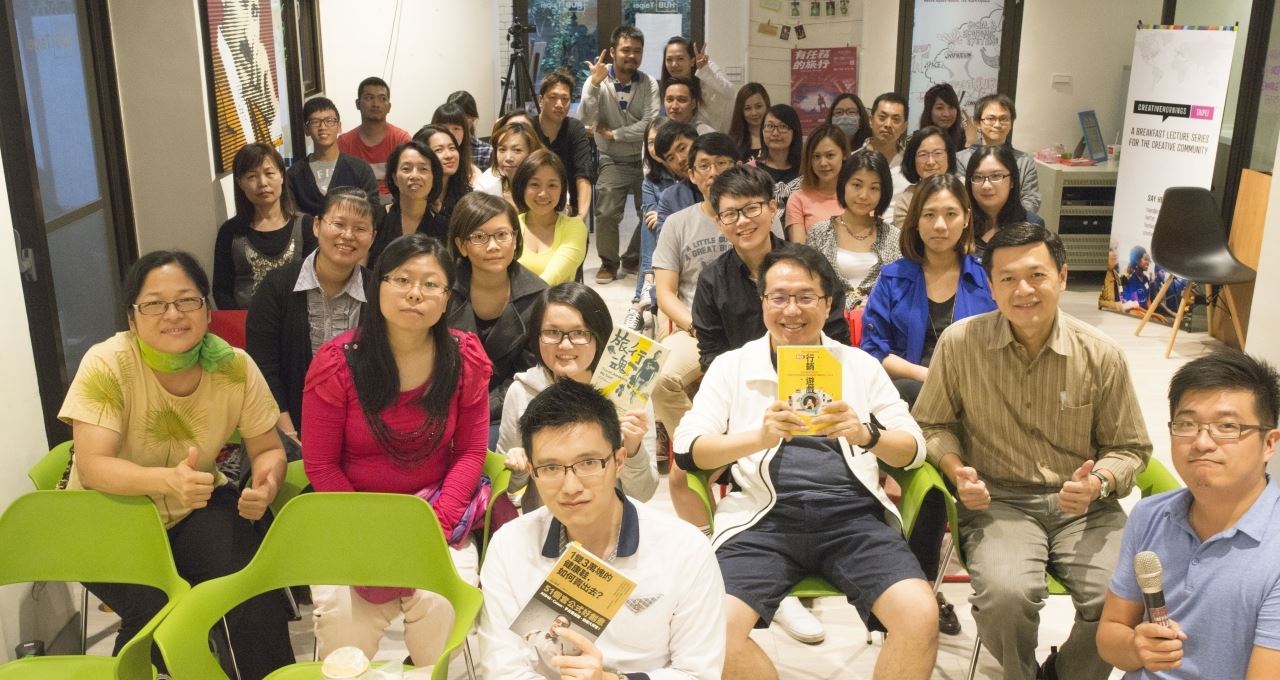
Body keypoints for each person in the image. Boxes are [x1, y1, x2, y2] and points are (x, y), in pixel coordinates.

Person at [673, 244, 940, 680]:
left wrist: (866, 434)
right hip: (761, 521)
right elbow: (688, 449)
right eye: (778, 297)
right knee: (708, 631)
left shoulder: (858, 365)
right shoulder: (731, 367)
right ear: (762, 302)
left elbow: (914, 450)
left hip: (853, 518)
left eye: (805, 297)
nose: (791, 310)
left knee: (920, 615)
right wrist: (757, 437)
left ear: (828, 303)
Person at [912, 223, 1153, 680]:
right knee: (1006, 597)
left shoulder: (1101, 354)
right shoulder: (960, 344)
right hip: (999, 500)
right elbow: (931, 424)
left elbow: (1130, 447)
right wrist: (956, 468)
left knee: (1123, 599)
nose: (1023, 290)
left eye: (1037, 275)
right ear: (991, 286)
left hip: (1085, 507)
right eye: (1008, 278)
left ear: (1062, 277)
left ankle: (1063, 674)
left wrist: (1098, 482)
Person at [60, 251, 293, 679]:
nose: (173, 315)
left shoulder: (234, 367)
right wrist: (168, 480)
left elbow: (268, 448)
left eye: (186, 300)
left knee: (250, 590)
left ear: (207, 309)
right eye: (154, 304)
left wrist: (266, 483)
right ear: (132, 319)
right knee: (155, 606)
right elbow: (93, 466)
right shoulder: (108, 363)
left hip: (192, 508)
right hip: (105, 518)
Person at [302, 234, 492, 666]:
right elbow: (321, 465)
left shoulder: (464, 358)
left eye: (431, 284)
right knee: (343, 633)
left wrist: (432, 527)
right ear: (378, 287)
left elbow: (469, 452)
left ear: (447, 298)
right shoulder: (337, 363)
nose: (415, 293)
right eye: (402, 279)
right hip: (353, 521)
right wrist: (372, 534)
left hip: (434, 515)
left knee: (443, 608)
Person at [479, 380, 726, 679]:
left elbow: (698, 672)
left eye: (588, 463)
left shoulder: (685, 550)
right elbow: (503, 669)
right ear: (532, 471)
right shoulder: (509, 546)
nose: (571, 487)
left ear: (619, 461)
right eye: (551, 468)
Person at [1098, 350, 1280, 680]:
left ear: (1269, 443)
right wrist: (1136, 646)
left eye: (1227, 426)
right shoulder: (1150, 514)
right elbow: (1110, 634)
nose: (1202, 442)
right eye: (1186, 424)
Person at [498, 282, 657, 510]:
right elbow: (506, 490)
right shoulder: (523, 392)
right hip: (549, 523)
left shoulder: (629, 391)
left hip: (611, 522)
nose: (564, 344)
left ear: (599, 336)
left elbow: (643, 493)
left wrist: (633, 451)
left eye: (579, 333)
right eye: (552, 332)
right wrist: (517, 468)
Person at [246, 188, 376, 459]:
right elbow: (263, 370)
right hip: (287, 432)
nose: (348, 235)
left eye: (360, 228)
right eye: (338, 224)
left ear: (372, 237)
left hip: (361, 440)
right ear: (317, 226)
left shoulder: (379, 291)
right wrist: (292, 439)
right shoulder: (277, 287)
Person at [862, 173, 992, 406]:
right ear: (916, 220)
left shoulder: (987, 278)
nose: (940, 225)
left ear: (966, 218)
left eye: (951, 214)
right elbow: (874, 350)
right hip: (908, 394)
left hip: (974, 394)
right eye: (929, 215)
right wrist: (930, 376)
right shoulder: (892, 279)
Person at [446, 191, 549, 438]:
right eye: (479, 237)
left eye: (502, 235)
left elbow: (527, 374)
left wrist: (477, 410)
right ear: (461, 245)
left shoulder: (538, 296)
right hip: (443, 403)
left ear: (515, 239)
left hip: (506, 409)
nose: (493, 246)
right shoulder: (441, 286)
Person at [580, 25, 660, 284]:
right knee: (605, 212)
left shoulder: (648, 83)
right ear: (613, 51)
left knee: (651, 211)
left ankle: (633, 257)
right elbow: (586, 118)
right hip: (612, 159)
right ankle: (609, 262)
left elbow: (650, 123)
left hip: (645, 157)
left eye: (637, 51)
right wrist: (594, 84)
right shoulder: (597, 81)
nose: (631, 56)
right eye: (626, 50)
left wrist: (616, 133)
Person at [213, 142, 310, 310]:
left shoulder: (306, 225)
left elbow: (316, 282)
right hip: (244, 322)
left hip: (296, 320)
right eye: (252, 176)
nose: (262, 183)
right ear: (240, 183)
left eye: (269, 173)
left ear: (282, 176)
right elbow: (221, 291)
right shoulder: (229, 232)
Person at [806, 148, 902, 310]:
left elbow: (899, 291)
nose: (864, 195)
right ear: (843, 184)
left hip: (879, 321)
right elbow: (808, 286)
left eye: (874, 188)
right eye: (857, 185)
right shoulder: (819, 233)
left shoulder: (894, 237)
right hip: (828, 320)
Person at [623, 117, 680, 332]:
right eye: (649, 142)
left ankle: (640, 298)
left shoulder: (686, 172)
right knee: (649, 223)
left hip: (684, 233)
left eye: (659, 141)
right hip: (660, 236)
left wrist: (665, 217)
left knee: (657, 221)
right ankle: (646, 286)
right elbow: (650, 213)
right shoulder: (650, 180)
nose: (654, 147)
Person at [288, 96, 378, 217]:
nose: (323, 127)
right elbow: (293, 216)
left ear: (339, 126)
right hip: (309, 230)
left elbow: (373, 212)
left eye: (329, 121)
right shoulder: (295, 174)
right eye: (315, 122)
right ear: (306, 130)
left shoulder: (360, 169)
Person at [956, 94, 1041, 213]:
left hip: (1014, 222)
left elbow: (1031, 200)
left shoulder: (1024, 161)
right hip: (974, 222)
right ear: (978, 123)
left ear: (1011, 123)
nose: (997, 125)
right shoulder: (961, 159)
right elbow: (961, 199)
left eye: (1004, 119)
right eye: (991, 119)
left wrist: (1004, 219)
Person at [514, 150, 588, 285]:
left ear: (562, 190)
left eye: (552, 185)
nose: (543, 193)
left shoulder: (575, 227)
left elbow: (553, 277)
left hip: (557, 298)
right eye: (534, 184)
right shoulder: (510, 226)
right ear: (522, 187)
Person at [368, 140, 447, 266]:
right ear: (395, 178)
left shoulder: (444, 227)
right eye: (406, 169)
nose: (414, 176)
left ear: (433, 178)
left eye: (423, 169)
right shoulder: (375, 219)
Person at [337, 76, 411, 205]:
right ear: (357, 104)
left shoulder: (401, 139)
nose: (376, 104)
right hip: (357, 205)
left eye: (382, 99)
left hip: (394, 204)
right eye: (369, 98)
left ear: (389, 106)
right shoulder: (343, 143)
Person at [965, 144, 1045, 256]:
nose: (986, 186)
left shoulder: (1031, 224)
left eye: (996, 176)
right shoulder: (961, 223)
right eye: (978, 177)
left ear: (1012, 181)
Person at [534, 69, 593, 219]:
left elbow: (583, 174)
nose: (559, 104)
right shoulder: (529, 127)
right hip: (533, 205)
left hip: (569, 207)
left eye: (565, 99)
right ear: (541, 99)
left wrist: (581, 215)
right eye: (553, 97)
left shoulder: (575, 128)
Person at [784, 123, 850, 242]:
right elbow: (799, 249)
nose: (823, 163)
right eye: (816, 156)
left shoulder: (859, 196)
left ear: (844, 154)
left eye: (830, 155)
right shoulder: (797, 199)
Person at [661, 36, 734, 131]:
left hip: (714, 134)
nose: (674, 64)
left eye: (680, 58)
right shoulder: (670, 86)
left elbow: (729, 92)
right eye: (669, 60)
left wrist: (705, 71)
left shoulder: (706, 67)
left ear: (692, 61)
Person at [891, 125, 959, 228]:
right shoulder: (907, 200)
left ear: (948, 156)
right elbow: (906, 237)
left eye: (937, 153)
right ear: (913, 160)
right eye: (923, 155)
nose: (931, 162)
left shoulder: (963, 189)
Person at [474, 123, 545, 205]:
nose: (508, 158)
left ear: (532, 152)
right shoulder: (487, 185)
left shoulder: (547, 182)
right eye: (502, 150)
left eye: (517, 150)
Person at [413, 124, 473, 219]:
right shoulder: (413, 197)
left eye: (452, 148)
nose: (449, 155)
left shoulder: (465, 196)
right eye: (439, 150)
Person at [863, 93, 909, 195]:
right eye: (882, 117)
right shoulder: (852, 159)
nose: (888, 124)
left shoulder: (912, 164)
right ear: (871, 120)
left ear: (904, 127)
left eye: (896, 119)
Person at [431, 101, 483, 183]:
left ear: (464, 132)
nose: (450, 133)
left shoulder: (474, 174)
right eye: (444, 128)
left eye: (456, 128)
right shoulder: (425, 169)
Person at [757, 104, 803, 193]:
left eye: (783, 126)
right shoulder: (751, 171)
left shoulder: (805, 171)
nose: (775, 133)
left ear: (794, 132)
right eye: (770, 126)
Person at [918, 83, 971, 156]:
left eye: (951, 107)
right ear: (929, 111)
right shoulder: (917, 140)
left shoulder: (964, 138)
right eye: (940, 108)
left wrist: (969, 144)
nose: (947, 114)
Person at [446, 90, 492, 171]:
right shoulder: (438, 147)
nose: (458, 121)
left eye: (463, 116)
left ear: (473, 118)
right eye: (453, 116)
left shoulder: (485, 151)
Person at [728, 82, 770, 160]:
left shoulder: (776, 137)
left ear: (766, 106)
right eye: (747, 108)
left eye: (758, 106)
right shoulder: (731, 143)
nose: (754, 113)